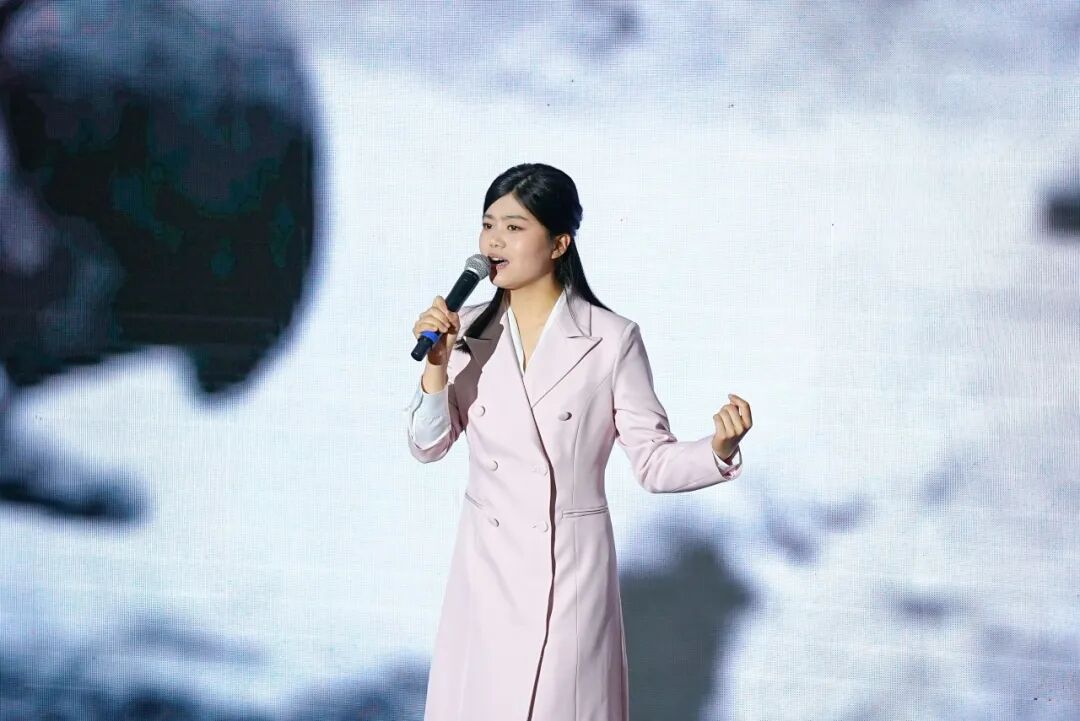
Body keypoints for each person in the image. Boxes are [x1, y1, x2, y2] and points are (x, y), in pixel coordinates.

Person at [404, 163, 752, 721]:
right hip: (485, 568)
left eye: (514, 228)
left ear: (559, 243)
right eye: (488, 226)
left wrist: (719, 449)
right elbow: (428, 446)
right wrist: (437, 367)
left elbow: (654, 462)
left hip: (569, 572)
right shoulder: (464, 331)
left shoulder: (611, 339)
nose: (494, 242)